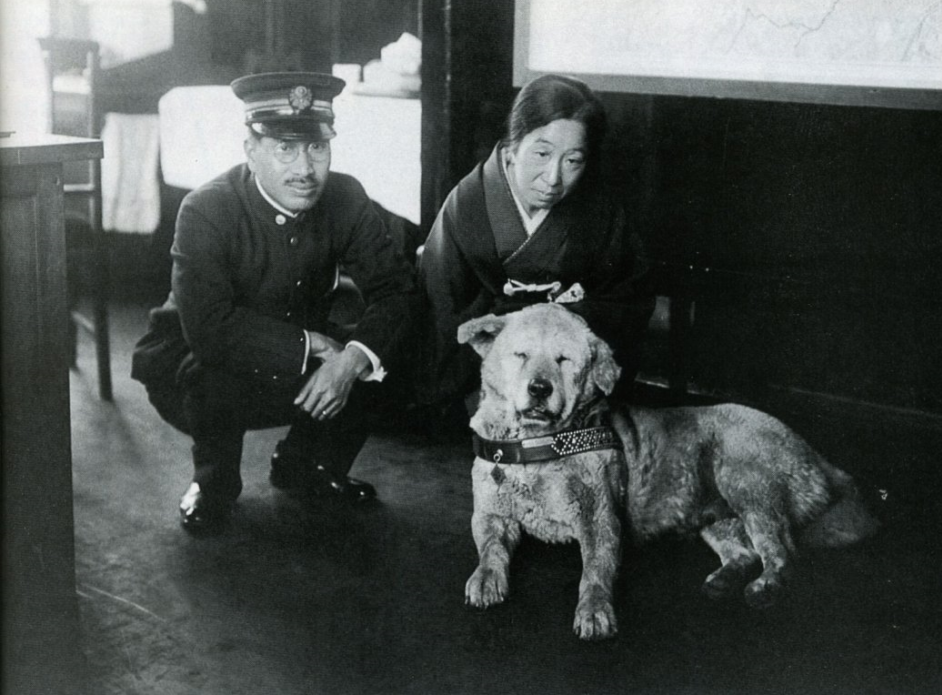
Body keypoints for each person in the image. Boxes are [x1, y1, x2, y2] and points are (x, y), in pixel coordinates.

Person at [131, 72, 418, 531]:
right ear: (251, 150)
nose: (304, 169)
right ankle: (213, 482)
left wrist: (349, 363)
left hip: (298, 361)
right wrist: (309, 346)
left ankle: (307, 464)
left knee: (385, 349)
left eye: (317, 148)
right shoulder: (207, 209)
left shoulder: (345, 196)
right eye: (285, 148)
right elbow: (209, 331)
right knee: (212, 372)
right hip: (194, 366)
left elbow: (397, 291)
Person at [419, 74, 655, 409]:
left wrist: (566, 316)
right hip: (485, 384)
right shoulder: (468, 206)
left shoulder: (600, 212)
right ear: (514, 146)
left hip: (567, 383)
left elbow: (627, 300)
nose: (554, 177)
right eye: (542, 154)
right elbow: (442, 309)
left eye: (573, 161)